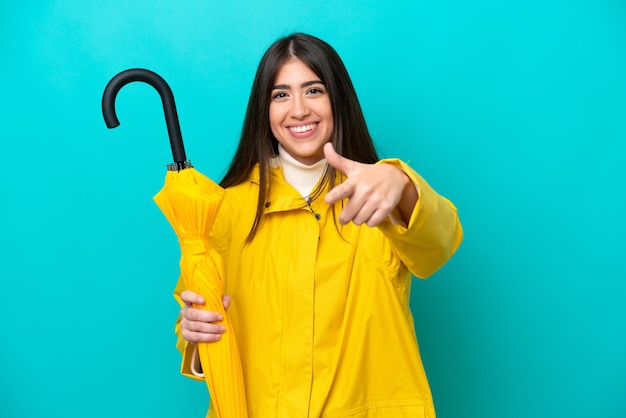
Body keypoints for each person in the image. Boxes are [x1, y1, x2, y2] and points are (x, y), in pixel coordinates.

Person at [174, 32, 463, 418]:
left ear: (337, 100)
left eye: (314, 90)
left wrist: (401, 182)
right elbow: (196, 326)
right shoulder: (222, 209)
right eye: (280, 94)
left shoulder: (378, 193)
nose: (298, 110)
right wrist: (194, 337)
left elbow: (439, 243)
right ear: (264, 109)